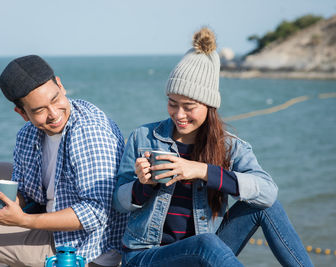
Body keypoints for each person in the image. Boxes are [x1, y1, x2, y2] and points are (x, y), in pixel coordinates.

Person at [113, 28, 314, 266]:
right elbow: (118, 203)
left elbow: (267, 192)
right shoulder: (144, 137)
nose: (179, 114)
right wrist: (142, 185)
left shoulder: (229, 146)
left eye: (189, 106)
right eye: (172, 103)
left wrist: (202, 171)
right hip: (146, 256)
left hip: (205, 249)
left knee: (265, 207)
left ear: (209, 106)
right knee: (205, 243)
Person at [0, 55, 127, 267]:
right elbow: (27, 192)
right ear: (22, 113)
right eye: (39, 110)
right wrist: (10, 203)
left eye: (55, 99)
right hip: (54, 217)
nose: (54, 114)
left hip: (83, 248)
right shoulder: (29, 134)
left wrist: (23, 221)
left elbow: (97, 212)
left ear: (61, 85)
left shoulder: (89, 133)